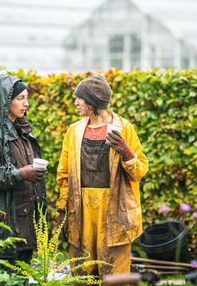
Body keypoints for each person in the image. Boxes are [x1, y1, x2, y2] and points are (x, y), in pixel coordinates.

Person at [56, 75, 149, 278]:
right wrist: (63, 207)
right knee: (82, 271)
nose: (76, 103)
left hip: (115, 210)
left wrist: (126, 151)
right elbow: (63, 174)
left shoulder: (125, 129)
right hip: (81, 211)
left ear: (92, 102)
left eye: (79, 98)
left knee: (114, 274)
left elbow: (139, 171)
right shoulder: (74, 132)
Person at [0, 74, 47, 264]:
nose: (26, 104)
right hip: (3, 227)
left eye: (26, 98)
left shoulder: (22, 130)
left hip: (24, 226)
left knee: (21, 277)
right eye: (20, 98)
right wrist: (21, 173)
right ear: (5, 100)